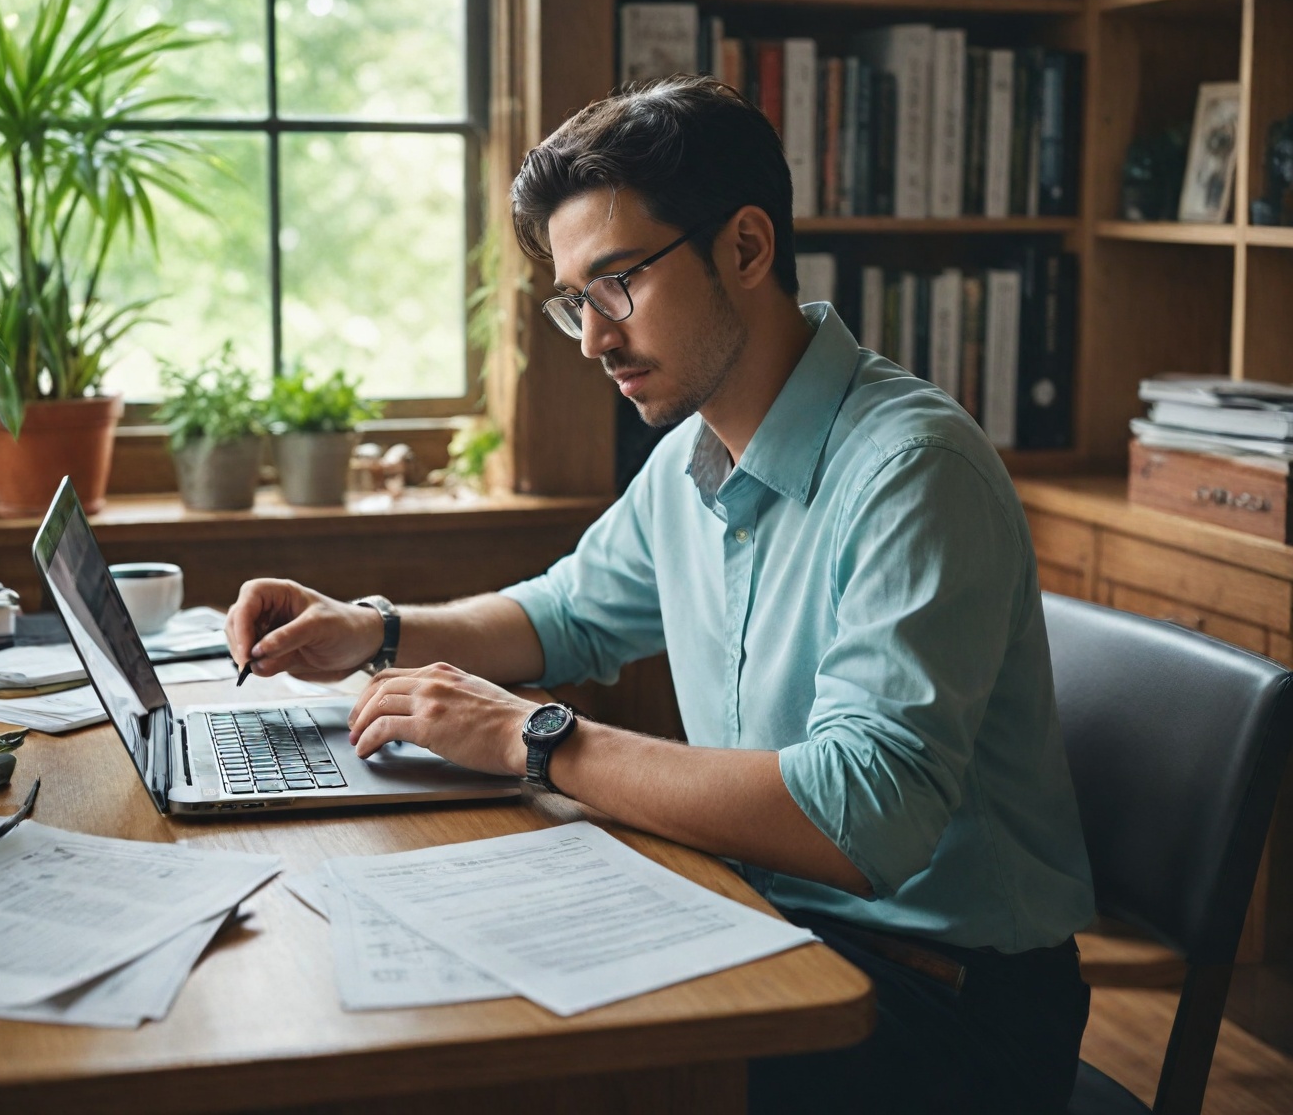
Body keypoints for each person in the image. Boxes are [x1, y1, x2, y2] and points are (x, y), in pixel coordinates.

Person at [226, 75, 1095, 1114]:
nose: (593, 338)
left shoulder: (912, 469)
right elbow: (568, 614)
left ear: (745, 248)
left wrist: (536, 739)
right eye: (573, 302)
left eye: (617, 284)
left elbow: (867, 815)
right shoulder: (696, 450)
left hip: (944, 1011)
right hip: (772, 927)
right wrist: (376, 631)